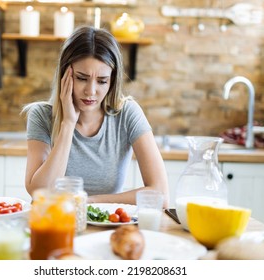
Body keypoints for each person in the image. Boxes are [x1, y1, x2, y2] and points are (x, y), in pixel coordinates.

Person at [22, 26, 169, 207]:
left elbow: (161, 194)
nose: (91, 91)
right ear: (65, 75)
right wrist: (68, 124)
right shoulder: (41, 115)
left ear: (112, 81)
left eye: (102, 81)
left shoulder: (127, 114)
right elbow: (40, 192)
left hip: (107, 226)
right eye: (82, 78)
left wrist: (88, 201)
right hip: (54, 223)